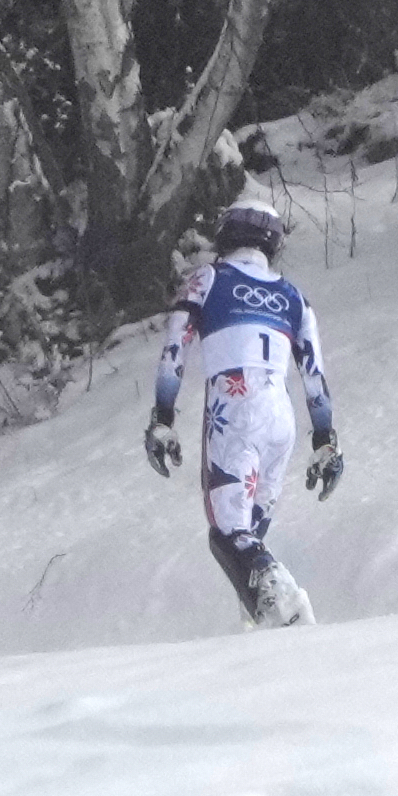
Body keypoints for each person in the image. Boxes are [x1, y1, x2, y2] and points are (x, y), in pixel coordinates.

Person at [143, 192, 342, 627]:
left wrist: (162, 418)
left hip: (234, 408)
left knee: (228, 534)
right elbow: (315, 378)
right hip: (280, 418)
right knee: (248, 538)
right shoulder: (294, 297)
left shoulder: (208, 279)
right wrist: (325, 443)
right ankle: (258, 633)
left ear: (226, 235)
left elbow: (175, 349)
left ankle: (288, 610)